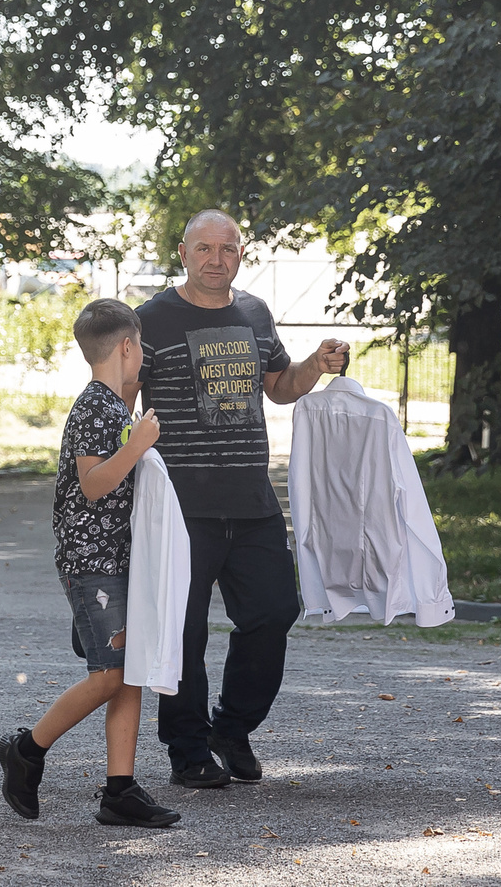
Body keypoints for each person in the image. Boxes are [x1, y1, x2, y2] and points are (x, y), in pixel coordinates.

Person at [133, 210, 352, 790]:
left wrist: (316, 365)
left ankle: (231, 727)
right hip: (181, 505)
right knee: (184, 632)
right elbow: (121, 393)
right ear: (183, 253)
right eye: (203, 248)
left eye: (226, 249)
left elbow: (279, 387)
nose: (215, 259)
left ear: (240, 253)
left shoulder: (254, 313)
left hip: (253, 501)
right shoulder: (150, 320)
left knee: (274, 612)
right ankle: (187, 751)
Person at [0, 299, 182, 830]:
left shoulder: (113, 405)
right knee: (110, 674)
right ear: (126, 347)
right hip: (92, 563)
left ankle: (120, 790)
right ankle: (27, 749)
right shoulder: (94, 409)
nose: (142, 356)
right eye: (140, 346)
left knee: (129, 674)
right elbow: (94, 484)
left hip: (119, 559)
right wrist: (139, 443)